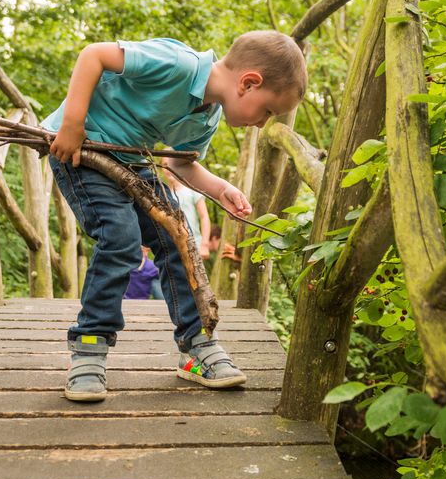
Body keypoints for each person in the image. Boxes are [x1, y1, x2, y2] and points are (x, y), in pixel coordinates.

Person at [43, 31, 306, 402]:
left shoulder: (207, 117)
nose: (263, 123)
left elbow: (178, 164)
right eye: (267, 111)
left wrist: (220, 190)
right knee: (121, 238)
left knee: (176, 235)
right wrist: (72, 123)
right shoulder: (178, 65)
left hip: (133, 162)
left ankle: (197, 347)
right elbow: (94, 55)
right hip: (80, 152)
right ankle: (89, 348)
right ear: (249, 83)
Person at [163, 167, 213, 259]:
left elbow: (204, 216)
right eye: (165, 164)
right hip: (172, 247)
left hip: (194, 244)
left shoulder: (191, 189)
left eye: (170, 164)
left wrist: (204, 245)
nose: (168, 168)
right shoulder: (163, 194)